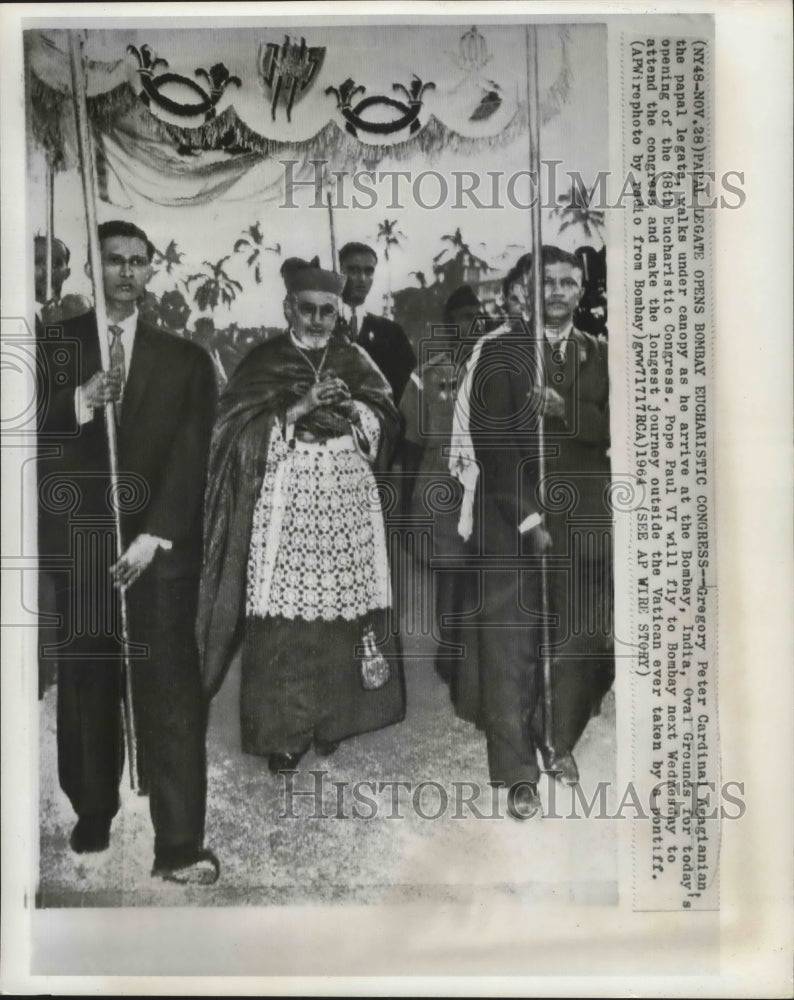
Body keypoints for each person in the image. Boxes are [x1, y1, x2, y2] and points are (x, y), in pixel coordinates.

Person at [38, 220, 219, 883]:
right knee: (88, 683)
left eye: (139, 263)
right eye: (114, 260)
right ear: (94, 266)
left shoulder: (186, 361)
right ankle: (92, 808)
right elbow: (21, 429)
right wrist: (80, 402)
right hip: (85, 546)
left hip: (157, 551)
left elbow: (192, 456)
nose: (126, 272)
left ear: (151, 272)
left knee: (169, 693)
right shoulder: (56, 347)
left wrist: (153, 536)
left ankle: (179, 842)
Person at [197, 261, 405, 775]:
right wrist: (300, 407)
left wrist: (356, 413)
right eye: (307, 309)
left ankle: (336, 720)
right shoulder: (266, 359)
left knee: (344, 615)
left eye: (326, 312)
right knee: (287, 619)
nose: (316, 319)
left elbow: (388, 420)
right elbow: (232, 434)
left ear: (338, 314)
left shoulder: (354, 358)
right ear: (288, 308)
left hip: (346, 499)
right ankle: (285, 734)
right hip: (287, 499)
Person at [449, 246, 613, 818]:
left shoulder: (601, 354)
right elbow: (494, 446)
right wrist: (529, 519)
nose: (560, 293)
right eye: (549, 283)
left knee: (573, 641)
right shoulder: (501, 355)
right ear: (531, 290)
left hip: (581, 523)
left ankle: (558, 742)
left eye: (571, 283)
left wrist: (564, 408)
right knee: (510, 646)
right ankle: (516, 771)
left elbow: (615, 427)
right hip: (512, 518)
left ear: (583, 290)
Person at [337, 241, 416, 404]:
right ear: (339, 271)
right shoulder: (322, 326)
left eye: (369, 271)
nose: (362, 279)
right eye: (353, 270)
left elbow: (406, 392)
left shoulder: (392, 333)